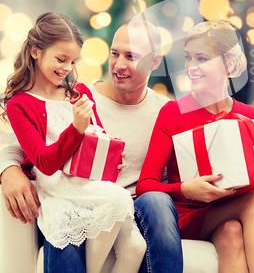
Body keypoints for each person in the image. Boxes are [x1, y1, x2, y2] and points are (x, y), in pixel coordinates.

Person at [0, 18, 183, 273]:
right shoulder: (83, 95)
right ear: (35, 52)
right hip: (69, 191)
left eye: (131, 56)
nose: (119, 65)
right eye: (114, 53)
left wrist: (112, 154)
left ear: (154, 61)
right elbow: (28, 150)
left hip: (126, 202)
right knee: (70, 228)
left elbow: (99, 138)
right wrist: (7, 169)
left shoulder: (167, 111)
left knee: (147, 219)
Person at [137, 20, 254, 273]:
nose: (190, 67)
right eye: (188, 58)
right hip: (185, 215)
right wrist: (186, 190)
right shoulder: (173, 112)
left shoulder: (249, 115)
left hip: (226, 214)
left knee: (232, 232)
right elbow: (145, 185)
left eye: (202, 58)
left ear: (229, 64)